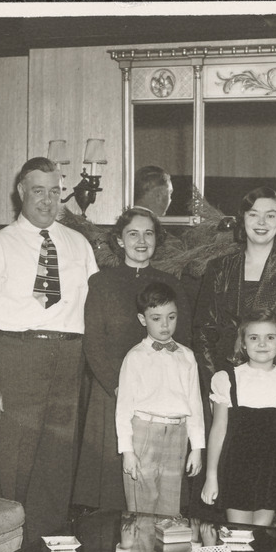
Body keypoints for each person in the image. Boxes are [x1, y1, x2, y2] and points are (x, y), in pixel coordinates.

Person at [0, 156, 98, 545]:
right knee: (13, 466)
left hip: (69, 360)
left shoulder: (79, 245)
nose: (47, 200)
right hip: (17, 359)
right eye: (38, 191)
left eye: (55, 192)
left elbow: (93, 308)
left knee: (56, 466)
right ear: (21, 191)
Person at [73, 206, 192, 510]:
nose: (141, 241)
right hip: (112, 393)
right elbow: (94, 343)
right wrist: (118, 388)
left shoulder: (172, 284)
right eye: (133, 234)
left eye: (149, 233)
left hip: (160, 398)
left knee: (159, 493)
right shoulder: (101, 284)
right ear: (119, 240)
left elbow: (182, 342)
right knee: (113, 492)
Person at [194, 186, 276, 387]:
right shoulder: (219, 268)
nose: (261, 222)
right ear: (243, 219)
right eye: (254, 214)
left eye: (270, 215)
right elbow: (203, 333)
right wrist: (216, 386)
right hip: (226, 382)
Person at [201, 309, 276, 526]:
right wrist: (211, 476)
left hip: (272, 471)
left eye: (270, 337)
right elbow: (218, 429)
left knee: (260, 538)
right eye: (253, 338)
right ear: (243, 343)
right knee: (239, 534)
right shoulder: (227, 379)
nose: (262, 343)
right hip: (236, 469)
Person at [115, 282, 204, 516]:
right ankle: (140, 551)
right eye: (156, 318)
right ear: (143, 319)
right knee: (142, 506)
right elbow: (123, 407)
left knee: (170, 507)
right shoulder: (135, 357)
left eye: (171, 317)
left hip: (178, 433)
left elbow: (195, 403)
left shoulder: (186, 356)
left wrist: (197, 447)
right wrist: (127, 450)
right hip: (144, 432)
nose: (165, 325)